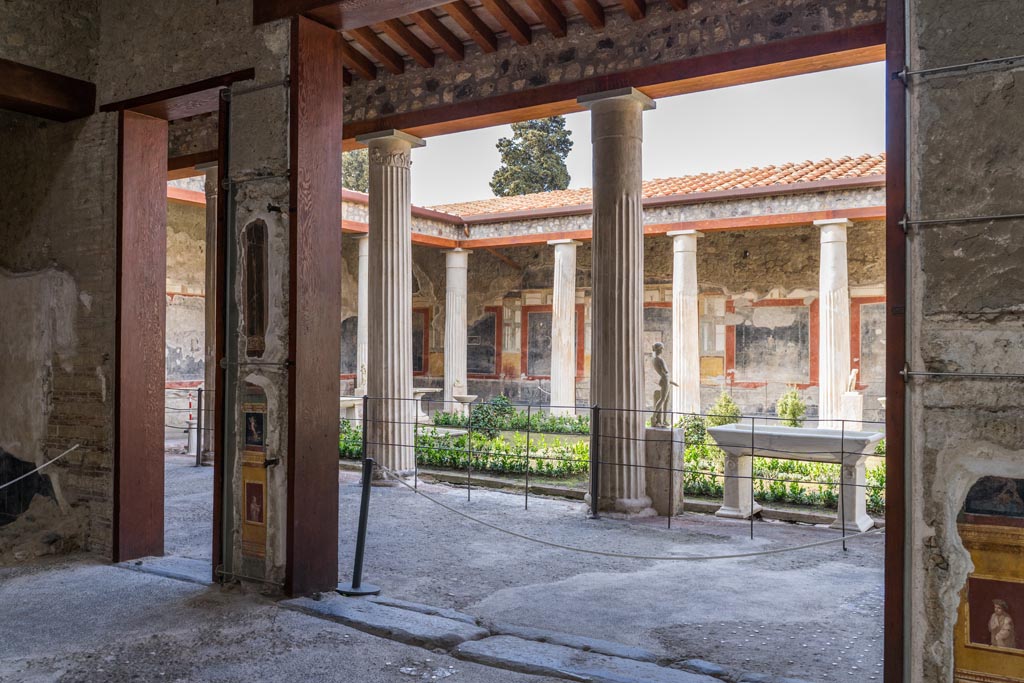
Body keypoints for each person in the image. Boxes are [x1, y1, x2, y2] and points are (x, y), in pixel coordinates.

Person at [651, 342, 678, 427]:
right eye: (662, 348)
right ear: (659, 349)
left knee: (666, 400)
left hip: (666, 380)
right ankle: (654, 417)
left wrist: (671, 381)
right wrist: (669, 380)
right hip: (665, 380)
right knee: (663, 399)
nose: (663, 350)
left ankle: (665, 420)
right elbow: (666, 371)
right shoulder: (659, 359)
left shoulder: (654, 359)